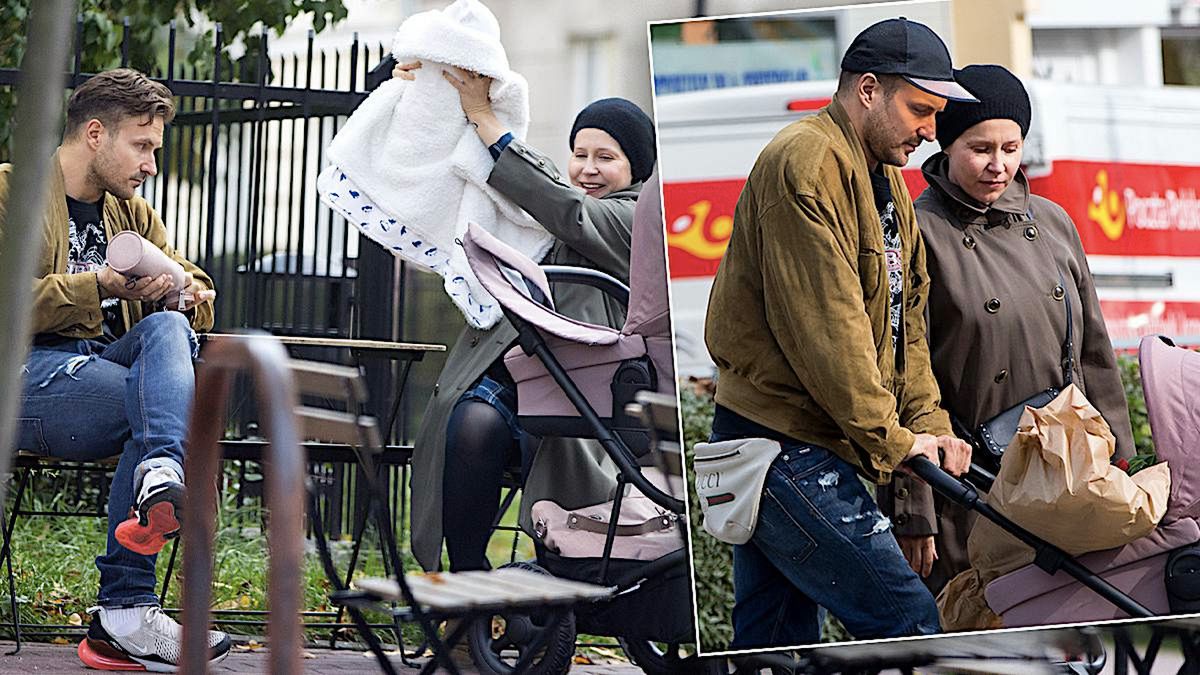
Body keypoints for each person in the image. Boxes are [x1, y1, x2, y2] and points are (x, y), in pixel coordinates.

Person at [703, 17, 975, 648]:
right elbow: (829, 331)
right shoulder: (806, 159)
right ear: (870, 90)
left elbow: (905, 327)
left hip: (809, 441)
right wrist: (897, 441)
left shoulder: (886, 183)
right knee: (910, 625)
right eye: (921, 110)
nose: (931, 131)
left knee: (775, 644)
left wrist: (930, 422)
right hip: (779, 444)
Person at [1, 68, 229, 671]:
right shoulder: (11, 192)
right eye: (143, 145)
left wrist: (179, 290)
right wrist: (98, 283)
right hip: (26, 377)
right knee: (156, 406)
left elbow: (200, 285)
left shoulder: (130, 214)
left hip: (102, 375)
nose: (151, 163)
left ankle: (158, 473)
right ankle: (124, 613)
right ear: (96, 133)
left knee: (166, 330)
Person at [393, 60, 658, 574]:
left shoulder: (637, 218)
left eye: (607, 157)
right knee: (472, 423)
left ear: (636, 168)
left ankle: (543, 587)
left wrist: (485, 117)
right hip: (521, 378)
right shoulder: (564, 203)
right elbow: (481, 185)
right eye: (580, 154)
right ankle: (470, 584)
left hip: (586, 400)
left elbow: (567, 211)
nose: (588, 168)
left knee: (531, 444)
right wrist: (427, 94)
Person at [880, 64, 1136, 594]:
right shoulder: (915, 230)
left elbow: (1094, 350)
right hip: (969, 488)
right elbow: (900, 373)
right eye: (980, 148)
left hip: (1065, 477)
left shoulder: (1052, 222)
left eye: (1011, 147)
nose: (999, 166)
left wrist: (1119, 456)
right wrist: (914, 512)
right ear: (946, 146)